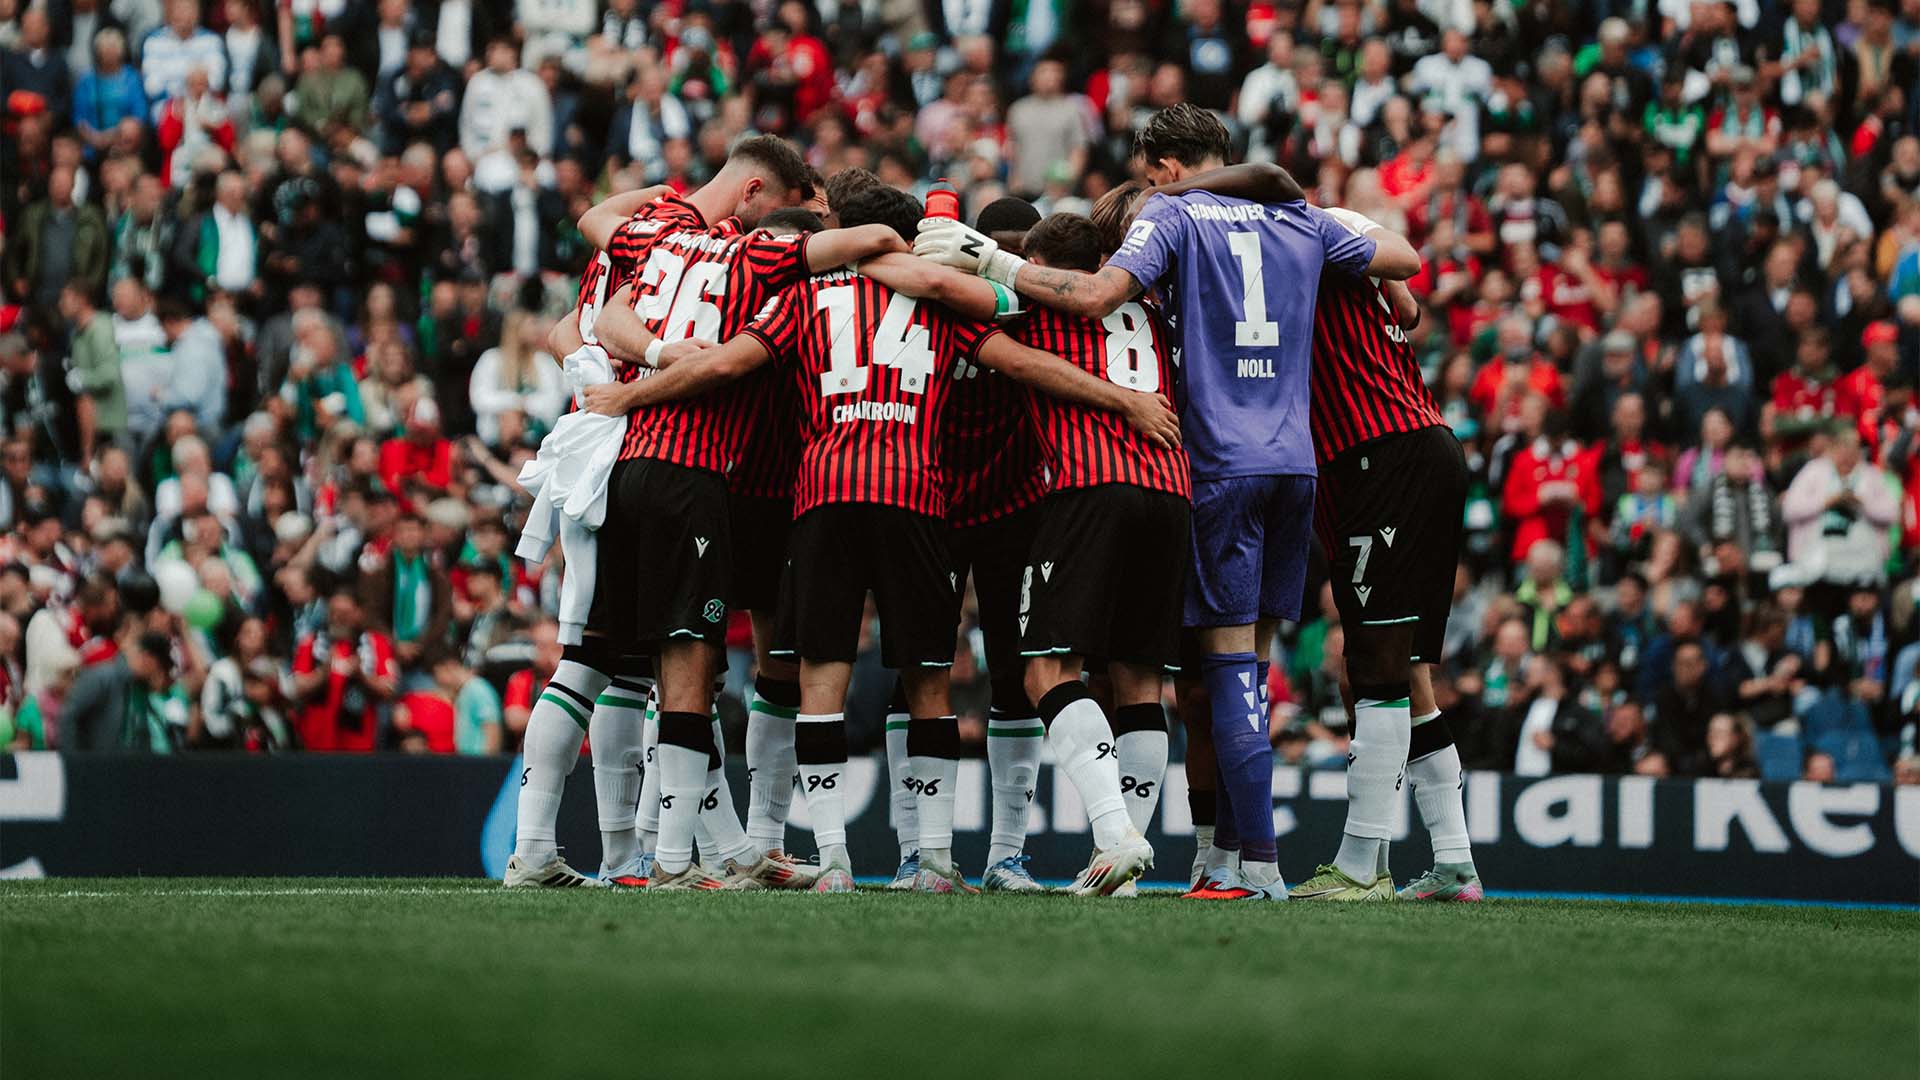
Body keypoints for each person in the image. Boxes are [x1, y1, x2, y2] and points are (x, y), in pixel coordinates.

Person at [585, 183, 1180, 894]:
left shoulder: (805, 294)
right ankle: (936, 860)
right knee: (940, 680)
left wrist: (631, 385)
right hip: (924, 494)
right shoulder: (967, 299)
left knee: (813, 676)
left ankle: (823, 856)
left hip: (824, 490)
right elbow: (1011, 348)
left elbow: (719, 359)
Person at [918, 103, 1419, 900]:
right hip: (1291, 463)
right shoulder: (1299, 220)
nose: (1148, 197)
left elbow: (1088, 299)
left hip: (1209, 465)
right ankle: (1228, 860)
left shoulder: (1173, 225)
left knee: (1199, 676)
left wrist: (993, 262)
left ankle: (1235, 863)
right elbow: (1403, 264)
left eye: (1151, 181)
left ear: (1165, 168)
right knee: (1215, 676)